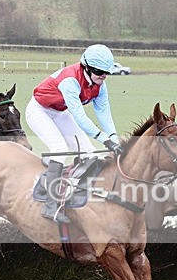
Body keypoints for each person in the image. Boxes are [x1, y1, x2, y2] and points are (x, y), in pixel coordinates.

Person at [26, 44, 122, 223]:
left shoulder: (100, 85)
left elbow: (104, 114)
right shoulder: (70, 80)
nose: (103, 76)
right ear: (86, 66)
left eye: (106, 72)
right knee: (59, 148)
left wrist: (114, 139)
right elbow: (80, 117)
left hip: (61, 112)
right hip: (39, 111)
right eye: (99, 71)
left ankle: (75, 195)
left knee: (89, 152)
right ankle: (50, 205)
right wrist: (104, 139)